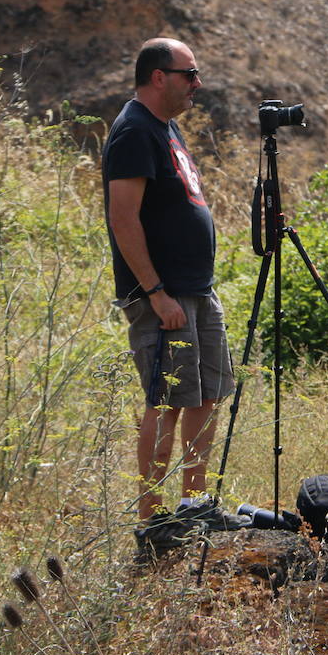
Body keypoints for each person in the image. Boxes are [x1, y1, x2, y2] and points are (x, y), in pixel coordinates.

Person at [102, 37, 243, 561]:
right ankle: (153, 523)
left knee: (205, 396)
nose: (196, 84)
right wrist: (156, 292)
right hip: (165, 296)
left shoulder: (163, 127)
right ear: (158, 76)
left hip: (195, 292)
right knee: (165, 401)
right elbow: (123, 217)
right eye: (189, 74)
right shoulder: (135, 131)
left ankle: (194, 506)